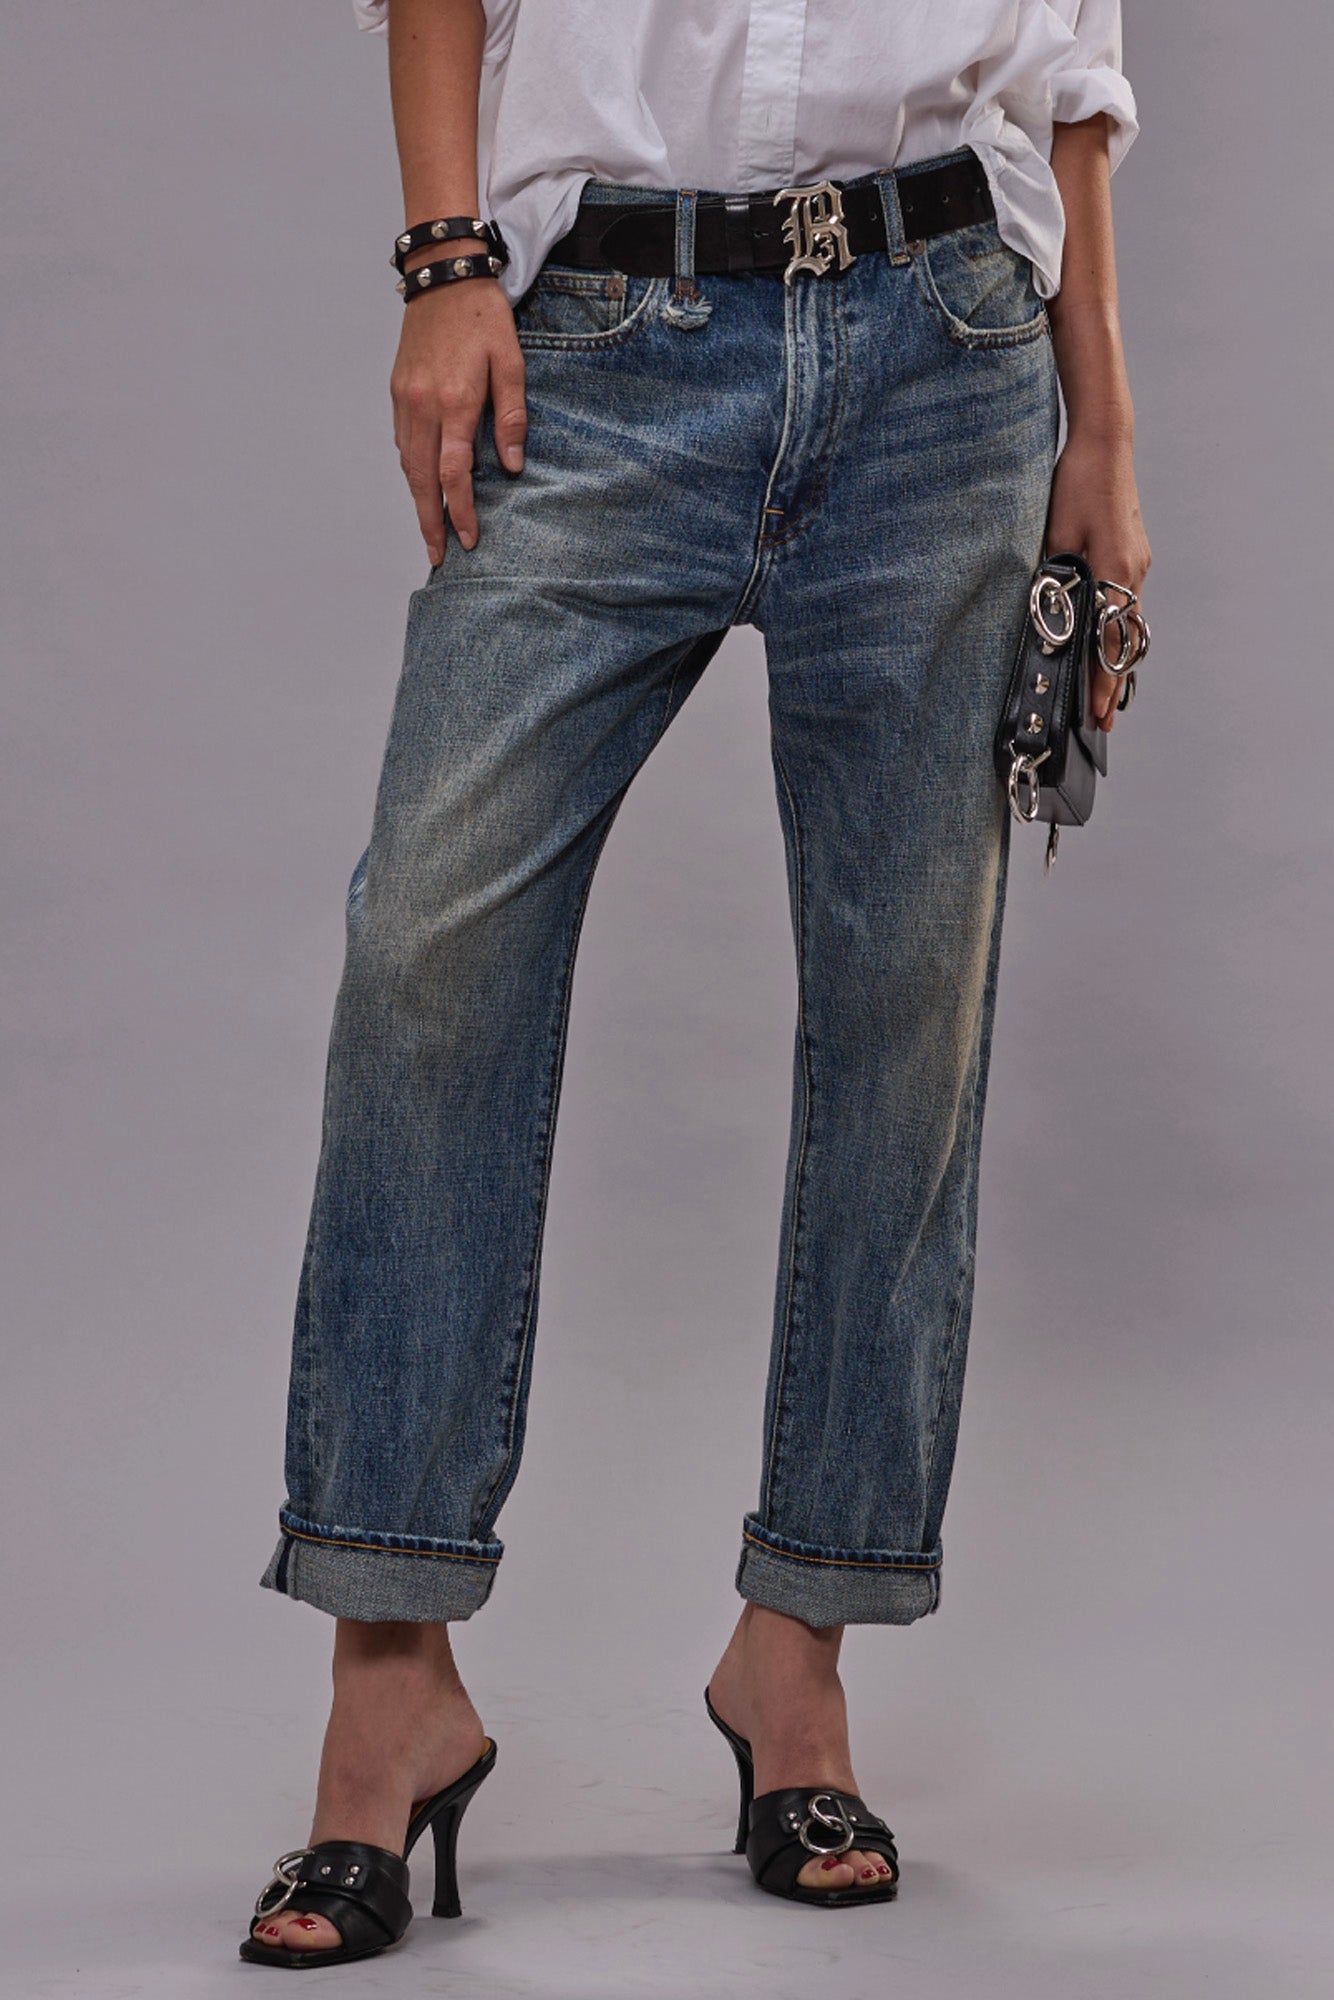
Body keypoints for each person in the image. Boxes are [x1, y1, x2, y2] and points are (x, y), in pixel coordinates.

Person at [241, 0, 1150, 1966]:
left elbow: (1072, 70)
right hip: (598, 339)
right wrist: (444, 263)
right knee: (428, 964)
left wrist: (1103, 423)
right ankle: (389, 1682)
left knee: (907, 1016)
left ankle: (794, 1659)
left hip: (946, 347)